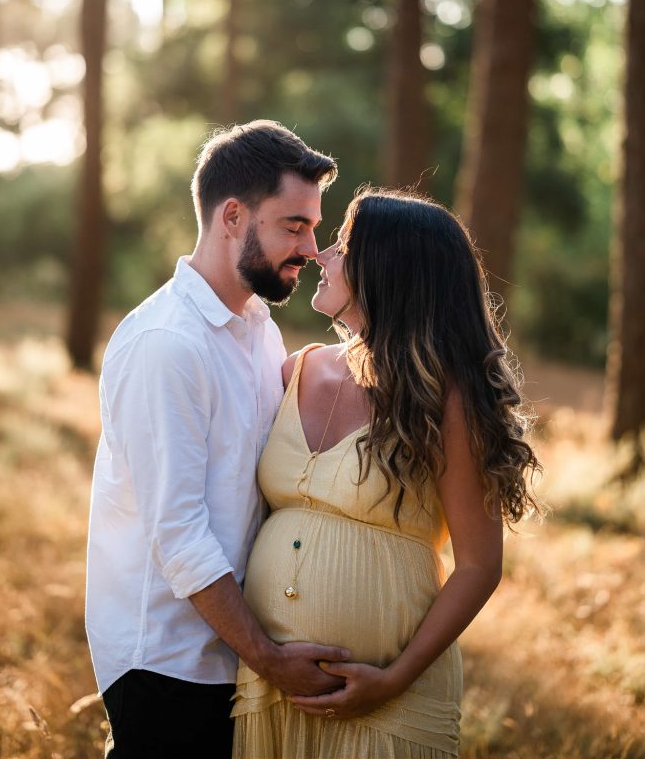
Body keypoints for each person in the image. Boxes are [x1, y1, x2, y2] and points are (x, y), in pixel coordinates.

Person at [232, 188, 542, 759]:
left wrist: (393, 679)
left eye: (344, 245)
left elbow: (478, 565)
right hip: (272, 686)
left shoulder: (445, 397)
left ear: (388, 269)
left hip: (390, 702)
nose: (320, 255)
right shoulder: (294, 369)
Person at [85, 120, 353, 759]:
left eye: (314, 227)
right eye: (294, 225)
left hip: (232, 662)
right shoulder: (167, 345)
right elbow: (179, 534)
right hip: (169, 667)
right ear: (233, 216)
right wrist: (268, 658)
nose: (312, 248)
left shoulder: (257, 327)